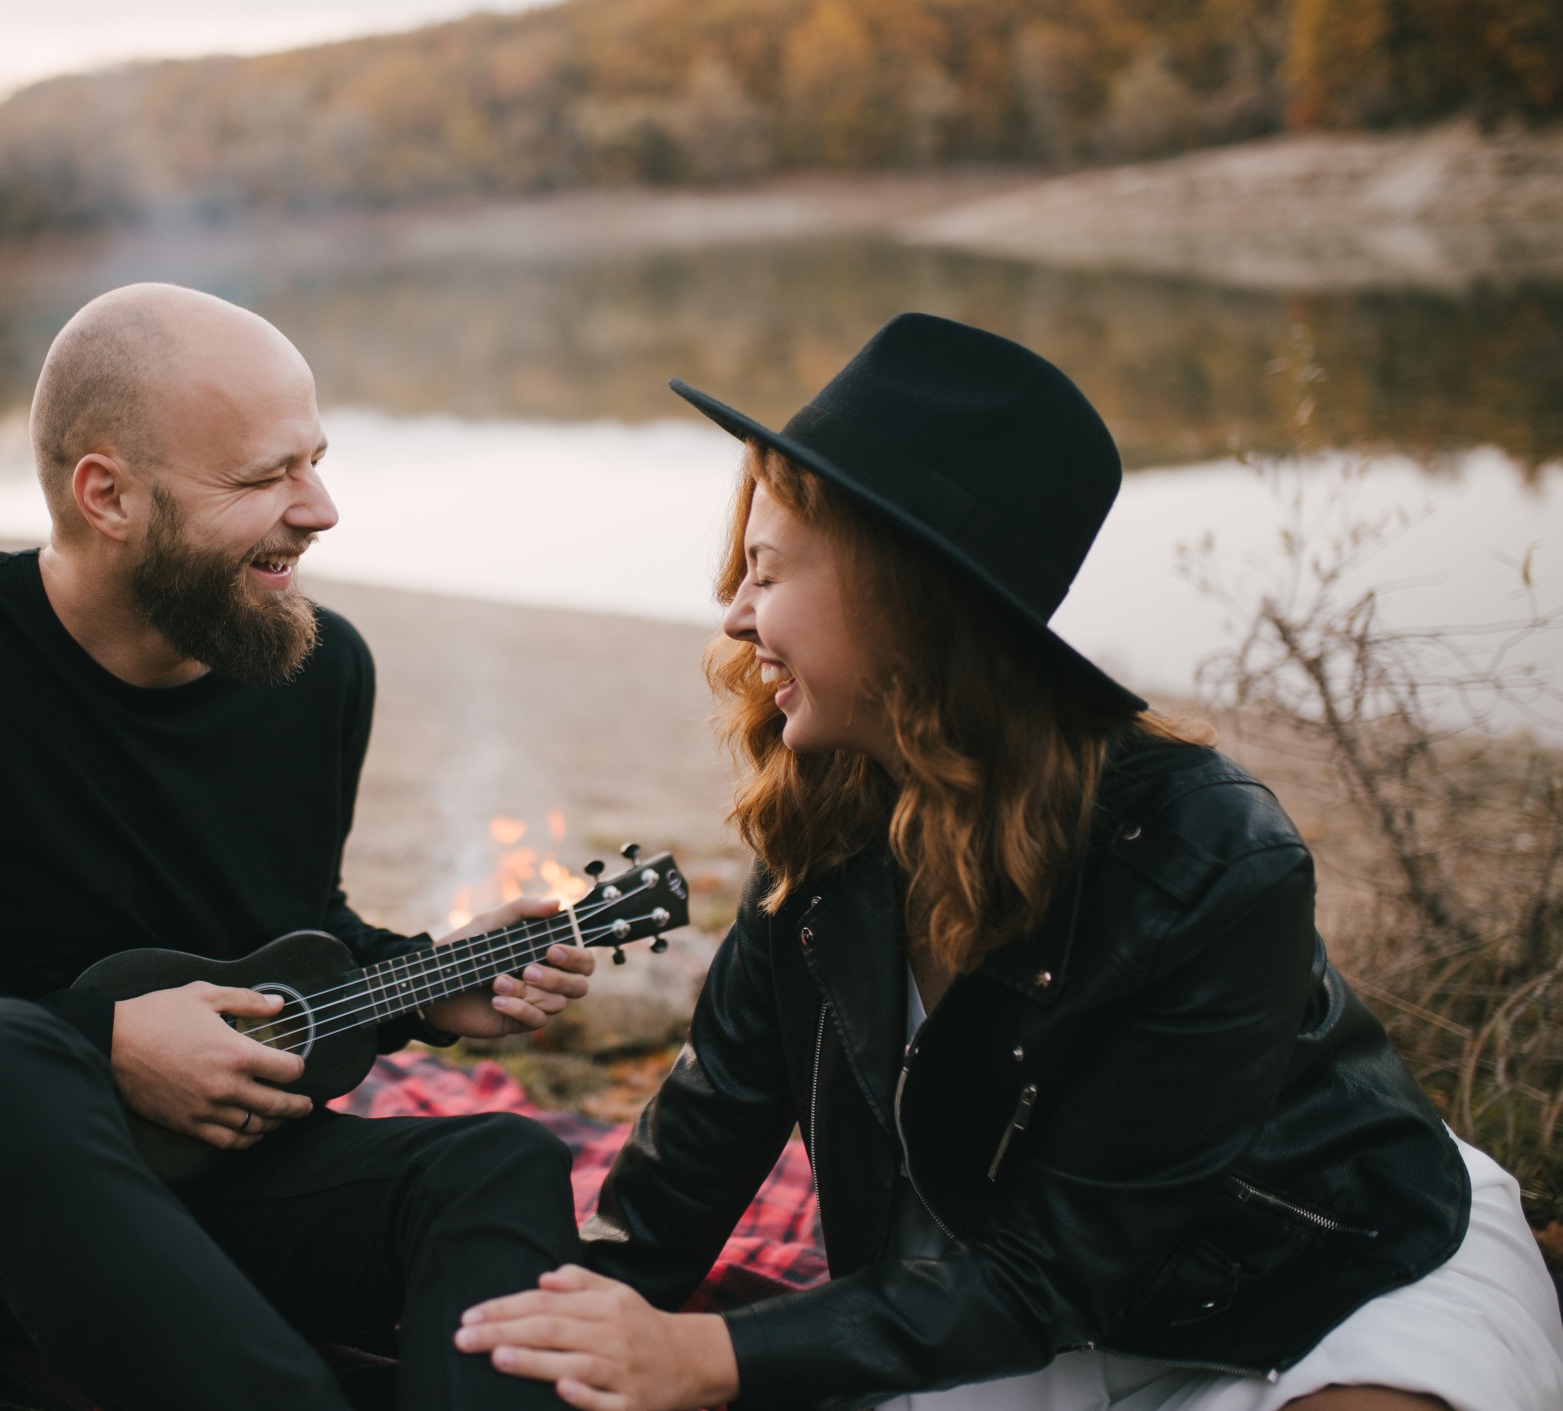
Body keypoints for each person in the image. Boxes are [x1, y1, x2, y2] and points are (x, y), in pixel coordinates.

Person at [454, 313, 1563, 1411]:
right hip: (1007, 1306)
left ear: (905, 598)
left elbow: (1064, 1262)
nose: (733, 614)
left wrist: (706, 1360)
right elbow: (700, 1142)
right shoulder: (822, 829)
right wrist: (557, 1325)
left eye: (764, 568)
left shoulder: (1211, 864)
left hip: (1315, 1280)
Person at [0, 283, 601, 1411]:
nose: (318, 509)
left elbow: (282, 924)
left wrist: (423, 983)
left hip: (227, 1188)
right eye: (265, 476)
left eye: (315, 460)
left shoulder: (318, 670)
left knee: (500, 1160)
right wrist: (101, 1042)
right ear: (107, 494)